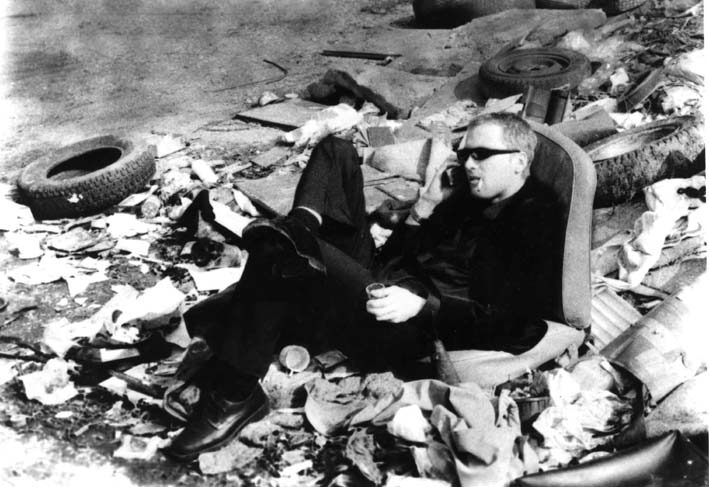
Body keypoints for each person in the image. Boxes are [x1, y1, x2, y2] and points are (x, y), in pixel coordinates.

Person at [165, 112, 562, 462]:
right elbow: (404, 255)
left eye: (481, 155)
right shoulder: (471, 193)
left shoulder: (536, 219)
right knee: (335, 150)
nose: (468, 163)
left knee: (278, 248)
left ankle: (235, 393)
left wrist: (422, 307)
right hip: (381, 277)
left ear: (519, 161)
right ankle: (299, 230)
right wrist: (424, 207)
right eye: (465, 154)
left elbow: (523, 326)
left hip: (407, 324)